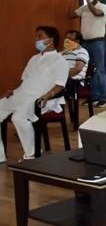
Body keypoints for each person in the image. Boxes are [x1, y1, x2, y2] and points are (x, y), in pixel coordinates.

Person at [0, 26, 68, 162]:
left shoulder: (59, 60)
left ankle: (32, 155)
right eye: (36, 36)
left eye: (40, 36)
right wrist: (13, 90)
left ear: (51, 40)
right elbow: (24, 79)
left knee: (18, 118)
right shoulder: (34, 58)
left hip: (37, 98)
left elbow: (60, 85)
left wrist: (47, 96)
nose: (36, 39)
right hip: (20, 94)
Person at [69, 0, 106, 108]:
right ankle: (93, 96)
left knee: (100, 71)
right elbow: (71, 15)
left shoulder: (103, 7)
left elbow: (96, 13)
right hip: (85, 43)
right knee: (89, 70)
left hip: (97, 42)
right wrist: (72, 0)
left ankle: (103, 98)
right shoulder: (84, 8)